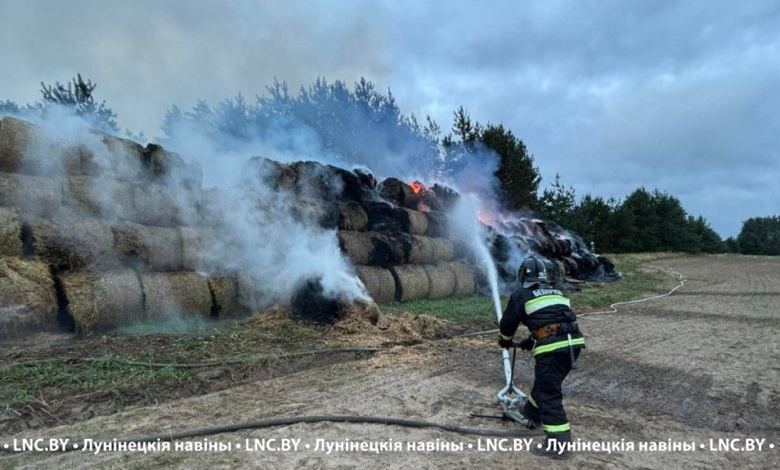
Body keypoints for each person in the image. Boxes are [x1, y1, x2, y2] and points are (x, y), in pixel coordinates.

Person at [498, 255, 585, 460]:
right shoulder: (557, 291)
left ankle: (558, 445)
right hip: (573, 344)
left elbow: (508, 324)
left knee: (549, 393)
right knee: (547, 383)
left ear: (522, 275)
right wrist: (531, 341)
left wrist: (505, 341)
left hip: (553, 347)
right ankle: (531, 412)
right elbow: (551, 320)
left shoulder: (522, 294)